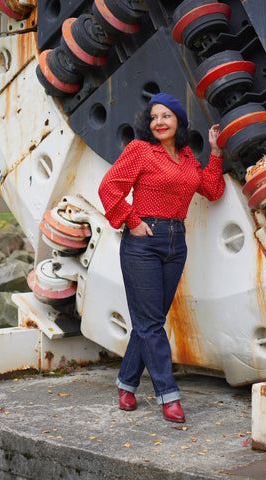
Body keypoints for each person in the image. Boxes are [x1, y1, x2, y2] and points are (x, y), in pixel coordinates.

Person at [98, 92, 225, 423]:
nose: (158, 122)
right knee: (152, 323)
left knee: (147, 323)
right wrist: (132, 220)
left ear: (179, 121)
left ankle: (126, 383)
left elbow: (211, 189)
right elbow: (109, 187)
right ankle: (168, 395)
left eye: (166, 116)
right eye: (153, 117)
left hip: (176, 243)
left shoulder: (186, 158)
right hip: (144, 243)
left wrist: (215, 153)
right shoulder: (140, 151)